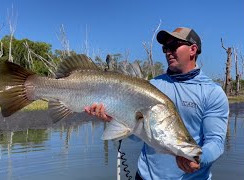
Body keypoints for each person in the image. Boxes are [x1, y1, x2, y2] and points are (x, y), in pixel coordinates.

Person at [85, 27, 229, 179]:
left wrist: (199, 158)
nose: (168, 52)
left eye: (174, 46)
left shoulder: (212, 93)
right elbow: (139, 135)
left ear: (193, 49)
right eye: (165, 48)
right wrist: (113, 119)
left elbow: (216, 142)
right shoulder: (152, 85)